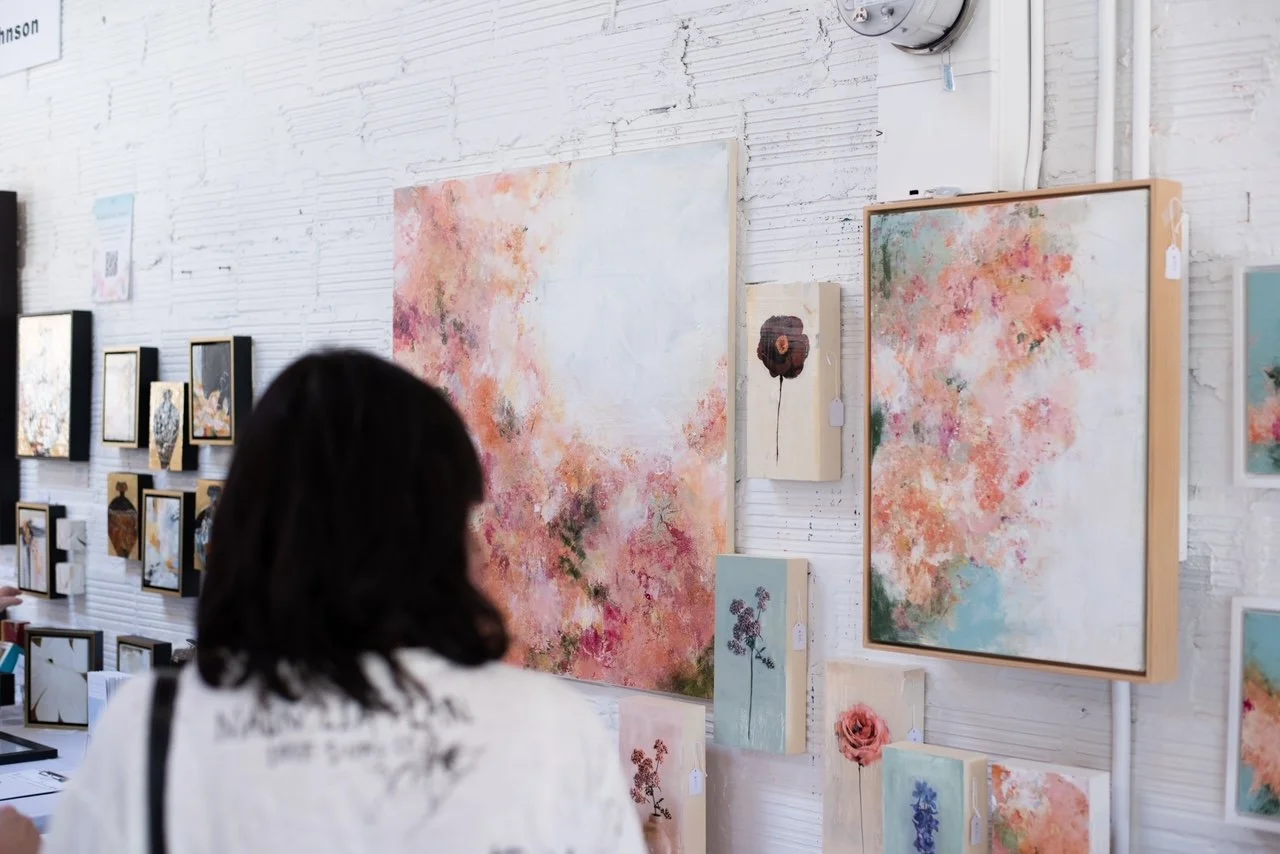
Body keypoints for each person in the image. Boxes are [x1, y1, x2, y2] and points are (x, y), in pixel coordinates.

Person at [25, 350, 646, 854]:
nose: (480, 548)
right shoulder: (551, 732)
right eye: (462, 516)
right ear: (423, 534)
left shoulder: (153, 728)